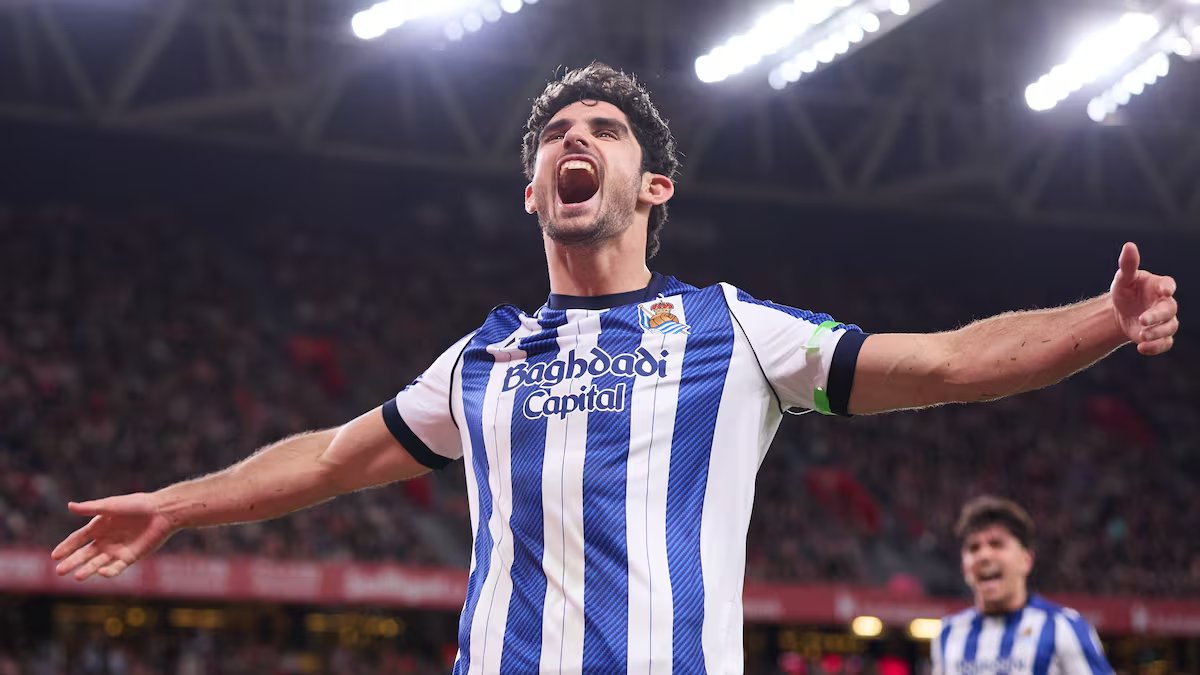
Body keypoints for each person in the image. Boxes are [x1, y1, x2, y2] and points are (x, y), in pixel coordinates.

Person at [51, 63, 1179, 673]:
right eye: (555, 135)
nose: (574, 138)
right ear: (533, 192)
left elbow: (944, 364)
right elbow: (328, 459)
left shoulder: (733, 331)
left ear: (654, 187)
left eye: (604, 129)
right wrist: (176, 505)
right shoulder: (483, 358)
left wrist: (1102, 318)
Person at [932, 497, 1113, 675]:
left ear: (1026, 560)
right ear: (964, 567)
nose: (984, 556)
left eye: (997, 544)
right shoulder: (947, 634)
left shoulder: (1062, 627)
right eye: (974, 548)